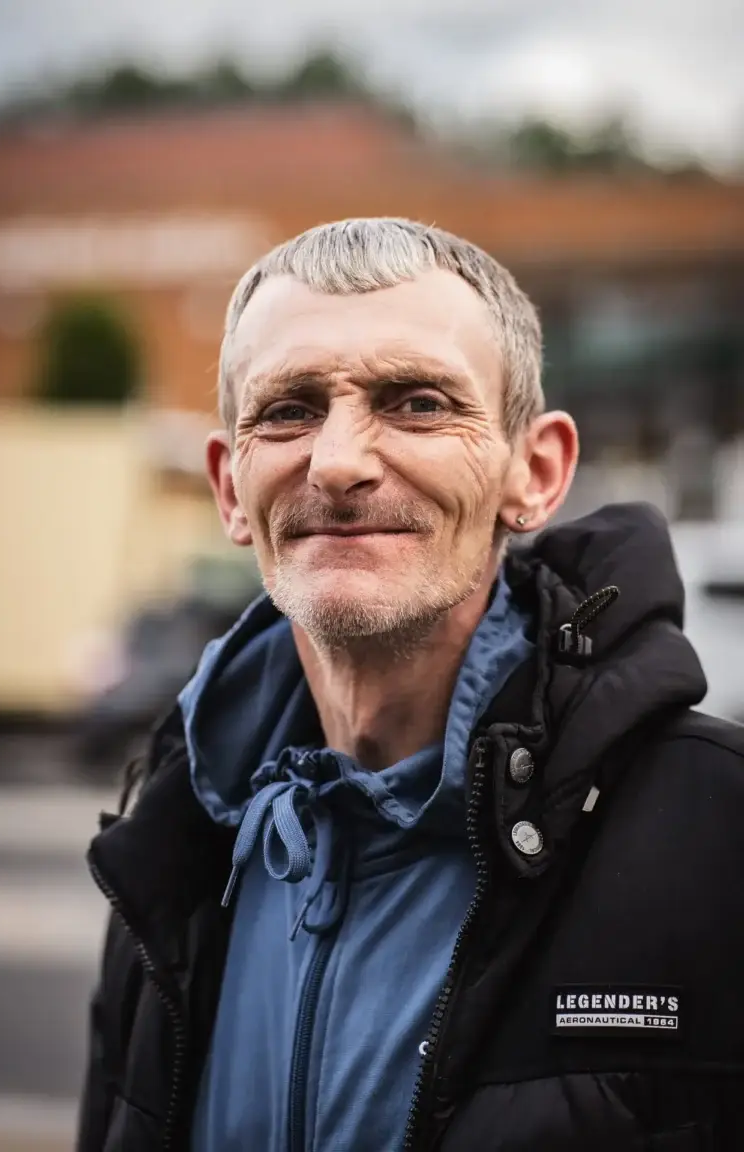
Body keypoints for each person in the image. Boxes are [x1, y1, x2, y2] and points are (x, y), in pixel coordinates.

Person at [77, 218, 744, 1152]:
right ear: (232, 489)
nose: (340, 461)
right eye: (288, 410)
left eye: (419, 403)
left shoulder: (719, 832)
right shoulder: (170, 844)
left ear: (536, 472)